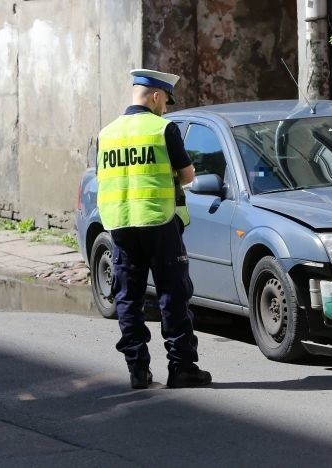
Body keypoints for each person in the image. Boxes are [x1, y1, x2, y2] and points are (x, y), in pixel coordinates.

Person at [96, 68, 211, 389]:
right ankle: (182, 368)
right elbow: (187, 175)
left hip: (120, 224)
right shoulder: (163, 129)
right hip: (159, 222)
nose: (166, 108)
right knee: (173, 295)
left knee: (128, 298)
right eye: (166, 102)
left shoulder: (107, 134)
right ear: (156, 96)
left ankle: (138, 370)